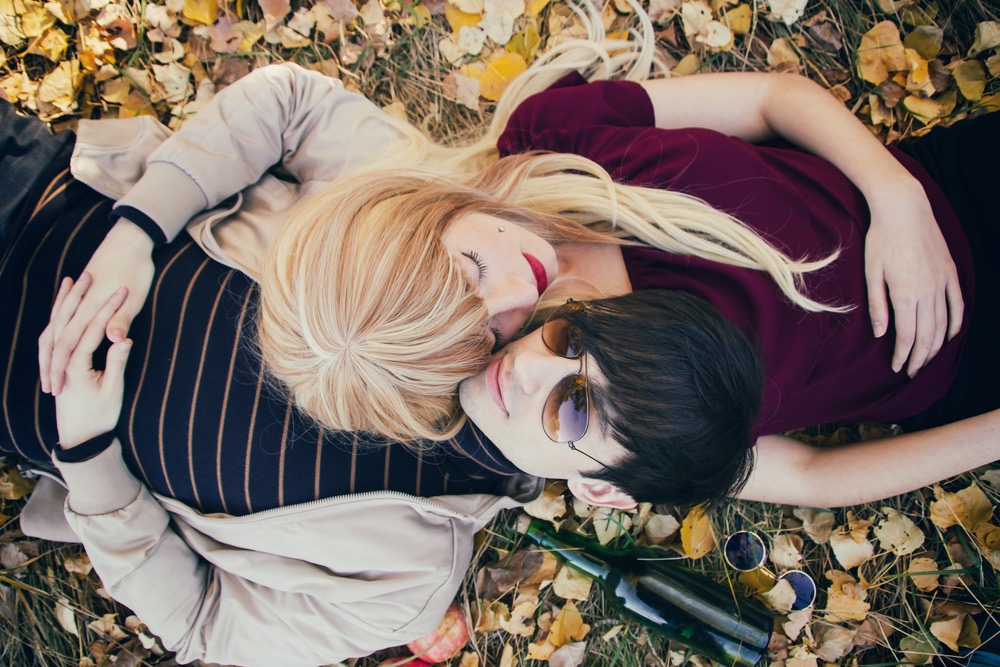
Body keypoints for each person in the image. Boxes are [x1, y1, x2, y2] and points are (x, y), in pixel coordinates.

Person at [5, 5, 996, 666]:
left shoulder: (410, 560)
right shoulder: (474, 284)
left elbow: (208, 626)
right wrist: (133, 248)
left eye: (541, 339)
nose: (526, 354)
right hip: (42, 194)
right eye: (549, 339)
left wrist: (90, 446)